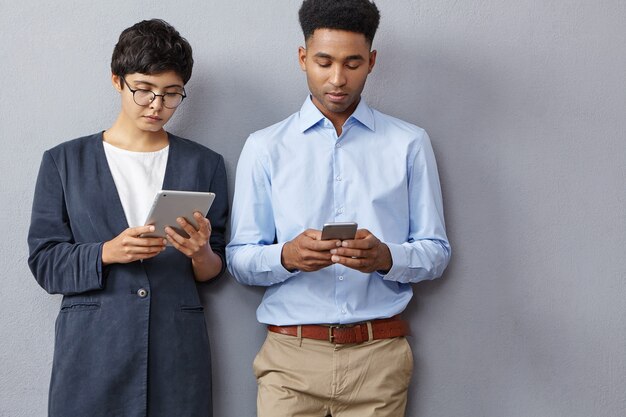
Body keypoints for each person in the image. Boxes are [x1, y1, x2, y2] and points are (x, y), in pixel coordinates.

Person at [226, 1, 451, 416]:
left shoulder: (409, 143)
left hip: (378, 358)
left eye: (353, 63)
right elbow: (239, 259)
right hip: (289, 360)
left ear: (372, 62)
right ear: (302, 58)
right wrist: (286, 256)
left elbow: (436, 251)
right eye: (323, 61)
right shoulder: (264, 147)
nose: (337, 79)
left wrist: (386, 257)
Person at [27, 19, 227, 417]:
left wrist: (200, 252)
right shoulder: (64, 162)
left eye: (171, 95)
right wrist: (107, 252)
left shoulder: (204, 164)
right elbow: (45, 263)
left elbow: (214, 268)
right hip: (92, 354)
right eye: (144, 90)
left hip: (176, 352)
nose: (157, 106)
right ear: (117, 81)